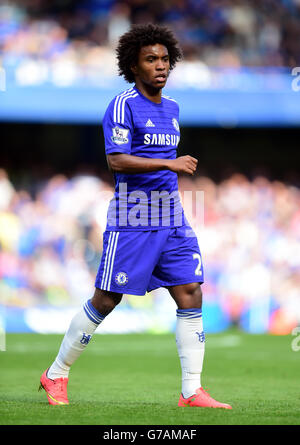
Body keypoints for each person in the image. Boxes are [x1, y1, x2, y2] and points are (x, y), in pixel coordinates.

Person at [39, 23, 232, 409]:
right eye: (151, 59)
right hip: (134, 214)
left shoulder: (173, 107)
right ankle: (55, 374)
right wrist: (171, 163)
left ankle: (192, 390)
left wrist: (170, 170)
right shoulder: (122, 104)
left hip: (172, 213)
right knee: (107, 299)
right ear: (133, 65)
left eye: (165, 59)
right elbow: (117, 160)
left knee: (190, 291)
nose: (160, 66)